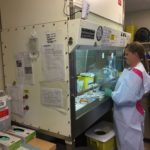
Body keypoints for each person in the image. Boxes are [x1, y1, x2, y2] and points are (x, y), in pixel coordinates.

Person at [105, 41, 150, 150]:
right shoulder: (136, 69)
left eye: (127, 54)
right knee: (133, 142)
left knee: (128, 144)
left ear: (135, 54)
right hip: (131, 114)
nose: (125, 57)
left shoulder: (136, 73)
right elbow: (128, 87)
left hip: (128, 116)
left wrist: (111, 93)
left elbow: (122, 97)